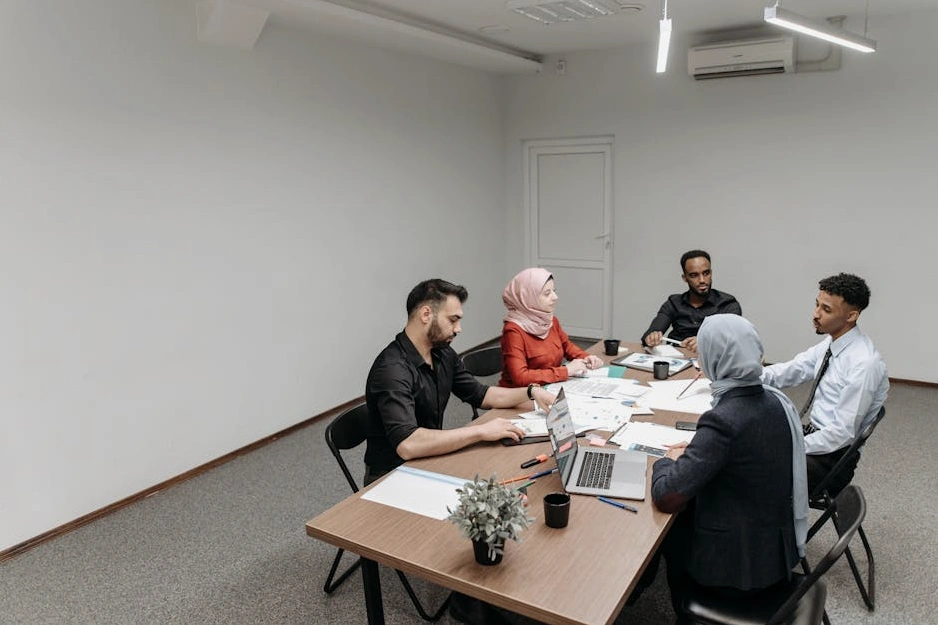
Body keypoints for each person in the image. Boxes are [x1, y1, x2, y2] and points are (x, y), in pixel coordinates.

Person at [649, 314, 807, 620]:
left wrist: (666, 460)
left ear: (713, 358)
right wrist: (696, 451)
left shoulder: (724, 419)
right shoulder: (774, 401)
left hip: (738, 573)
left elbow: (667, 495)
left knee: (669, 529)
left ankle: (676, 607)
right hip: (773, 553)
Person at [363, 278, 555, 485]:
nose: (458, 329)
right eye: (453, 320)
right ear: (426, 314)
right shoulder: (392, 370)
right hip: (390, 476)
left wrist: (531, 392)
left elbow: (481, 394)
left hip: (427, 458)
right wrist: (481, 430)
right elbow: (408, 444)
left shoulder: (442, 353)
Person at [762, 273, 888, 495]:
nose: (816, 314)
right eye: (817, 305)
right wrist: (740, 375)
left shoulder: (864, 364)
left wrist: (793, 445)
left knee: (750, 466)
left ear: (851, 316)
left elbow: (842, 433)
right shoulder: (832, 343)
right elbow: (792, 370)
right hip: (815, 437)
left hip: (831, 460)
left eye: (826, 310)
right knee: (748, 438)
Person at [498, 267, 603, 387]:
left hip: (549, 386)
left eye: (554, 290)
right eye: (547, 293)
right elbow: (520, 377)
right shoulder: (513, 331)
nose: (555, 297)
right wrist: (566, 371)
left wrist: (586, 357)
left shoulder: (550, 320)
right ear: (528, 298)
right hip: (521, 393)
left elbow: (567, 347)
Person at [641, 250, 741, 353]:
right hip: (676, 358)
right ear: (685, 278)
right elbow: (648, 335)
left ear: (711, 273)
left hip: (712, 359)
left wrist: (706, 342)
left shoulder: (728, 304)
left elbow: (734, 340)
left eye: (706, 273)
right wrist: (651, 338)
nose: (702, 280)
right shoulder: (674, 303)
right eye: (694, 275)